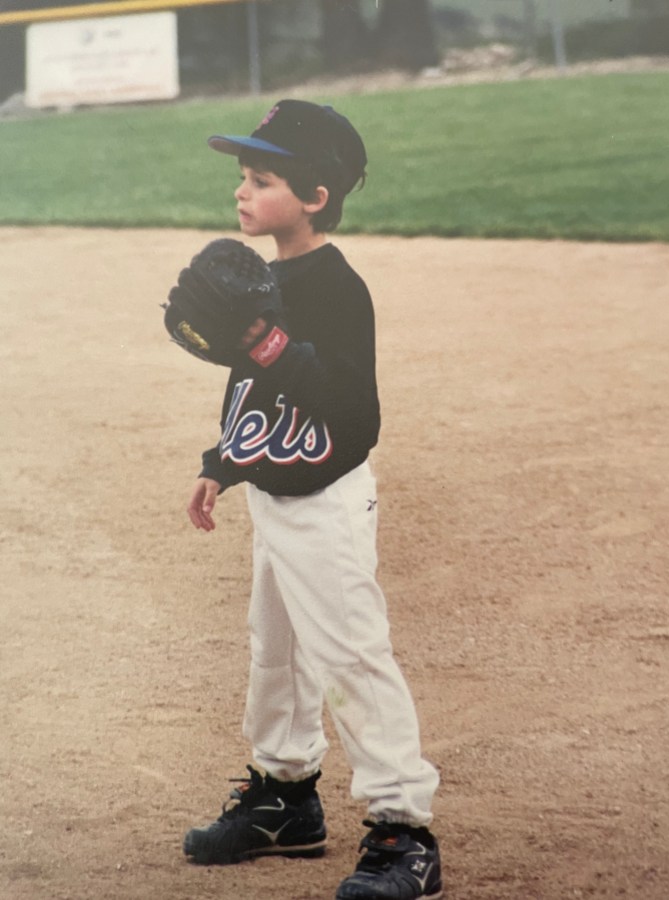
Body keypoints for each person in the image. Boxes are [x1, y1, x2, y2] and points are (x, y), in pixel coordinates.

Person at [181, 99, 442, 900]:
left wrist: (268, 341)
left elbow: (355, 420)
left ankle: (404, 832)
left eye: (261, 179)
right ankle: (284, 797)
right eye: (242, 177)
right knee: (277, 655)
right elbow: (251, 388)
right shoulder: (262, 279)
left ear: (315, 196)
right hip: (273, 495)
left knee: (349, 657)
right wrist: (221, 461)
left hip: (326, 502)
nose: (243, 192)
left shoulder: (336, 287)